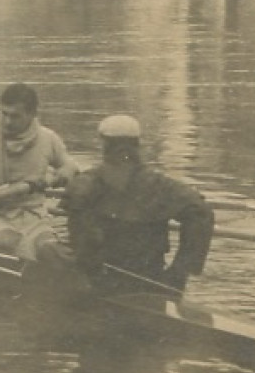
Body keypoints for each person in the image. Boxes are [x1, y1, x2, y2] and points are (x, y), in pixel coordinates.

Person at [61, 114, 214, 295]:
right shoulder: (160, 184)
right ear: (138, 145)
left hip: (100, 282)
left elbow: (82, 241)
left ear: (102, 144)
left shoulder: (83, 184)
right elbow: (202, 213)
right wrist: (179, 272)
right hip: (152, 278)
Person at [0, 82, 79, 260]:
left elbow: (70, 167)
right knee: (14, 243)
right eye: (4, 114)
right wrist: (10, 190)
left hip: (33, 216)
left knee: (48, 249)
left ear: (32, 114)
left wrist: (59, 175)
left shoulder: (48, 139)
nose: (7, 122)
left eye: (15, 116)